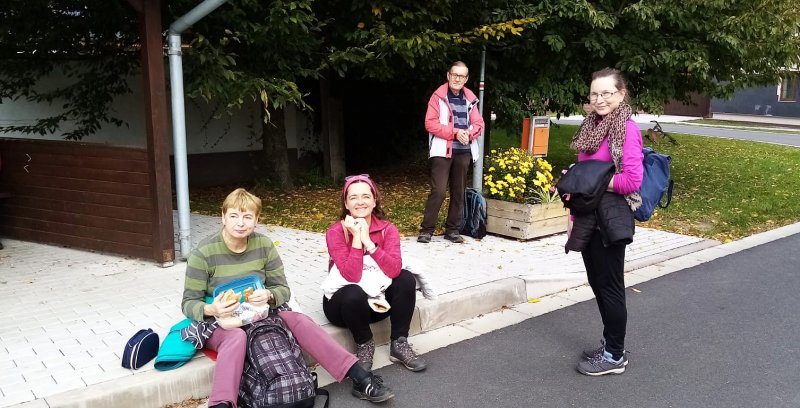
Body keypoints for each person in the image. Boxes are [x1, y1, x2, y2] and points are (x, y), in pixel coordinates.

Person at [181, 188, 394, 407]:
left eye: (247, 217)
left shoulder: (263, 245)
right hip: (221, 321)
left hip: (258, 313)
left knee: (299, 320)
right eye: (234, 216)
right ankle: (221, 403)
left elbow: (283, 289)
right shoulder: (204, 253)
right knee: (236, 338)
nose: (240, 223)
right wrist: (212, 309)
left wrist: (270, 294)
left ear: (256, 220)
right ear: (223, 217)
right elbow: (189, 304)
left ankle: (360, 377)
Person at [569, 68, 644, 376]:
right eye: (594, 94)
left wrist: (590, 179)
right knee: (597, 283)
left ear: (621, 94)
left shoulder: (626, 129)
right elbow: (586, 172)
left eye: (606, 93)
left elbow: (631, 180)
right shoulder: (592, 126)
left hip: (609, 219)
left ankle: (615, 356)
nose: (599, 100)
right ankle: (610, 341)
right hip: (589, 216)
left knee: (610, 286)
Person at [323, 174, 427, 373]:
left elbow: (394, 269)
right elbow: (351, 276)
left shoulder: (388, 230)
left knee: (405, 277)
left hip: (378, 305)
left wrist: (369, 243)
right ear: (346, 203)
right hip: (344, 308)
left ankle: (399, 343)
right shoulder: (336, 232)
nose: (360, 202)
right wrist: (356, 238)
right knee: (354, 292)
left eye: (365, 196)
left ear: (374, 200)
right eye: (353, 197)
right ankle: (364, 344)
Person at [418, 61, 485, 244]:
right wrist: (455, 133)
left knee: (458, 192)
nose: (457, 79)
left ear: (466, 79)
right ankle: (427, 230)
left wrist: (469, 134)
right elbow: (430, 123)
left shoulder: (470, 98)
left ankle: (452, 230)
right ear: (448, 75)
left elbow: (479, 124)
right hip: (442, 151)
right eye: (454, 75)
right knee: (438, 191)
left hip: (464, 152)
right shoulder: (437, 97)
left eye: (461, 76)